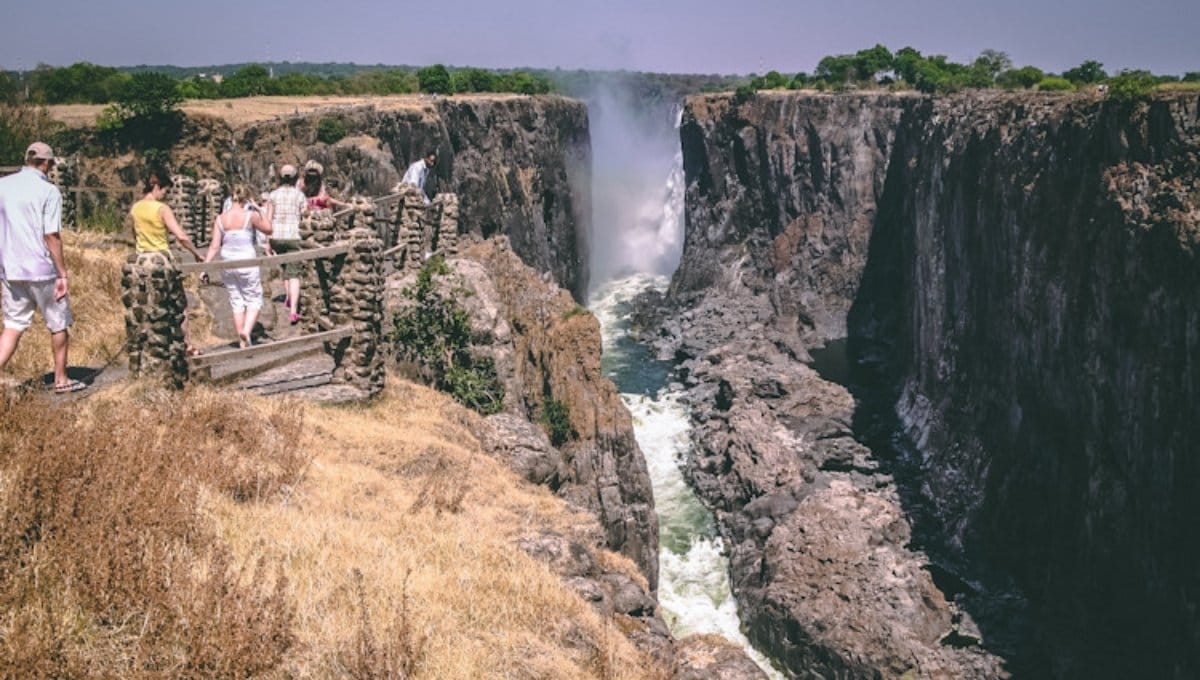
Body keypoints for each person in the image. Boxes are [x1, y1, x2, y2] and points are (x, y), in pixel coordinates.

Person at [0, 142, 84, 393]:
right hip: (41, 268)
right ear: (47, 163)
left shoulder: (3, 185)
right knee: (57, 323)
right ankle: (61, 379)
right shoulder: (49, 192)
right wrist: (62, 273)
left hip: (11, 267)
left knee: (13, 325)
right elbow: (51, 236)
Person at [202, 185, 272, 348]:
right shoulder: (250, 215)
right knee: (254, 298)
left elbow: (214, 246)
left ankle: (242, 339)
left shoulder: (220, 218)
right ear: (246, 200)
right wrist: (260, 210)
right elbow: (269, 229)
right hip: (246, 261)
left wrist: (205, 267)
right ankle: (246, 331)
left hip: (227, 262)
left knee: (236, 299)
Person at [266, 164, 306, 325]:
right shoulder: (299, 195)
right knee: (294, 273)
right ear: (295, 177)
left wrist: (267, 241)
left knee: (285, 268)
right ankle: (294, 310)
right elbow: (305, 214)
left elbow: (268, 219)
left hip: (276, 236)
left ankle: (289, 297)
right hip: (293, 236)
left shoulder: (273, 195)